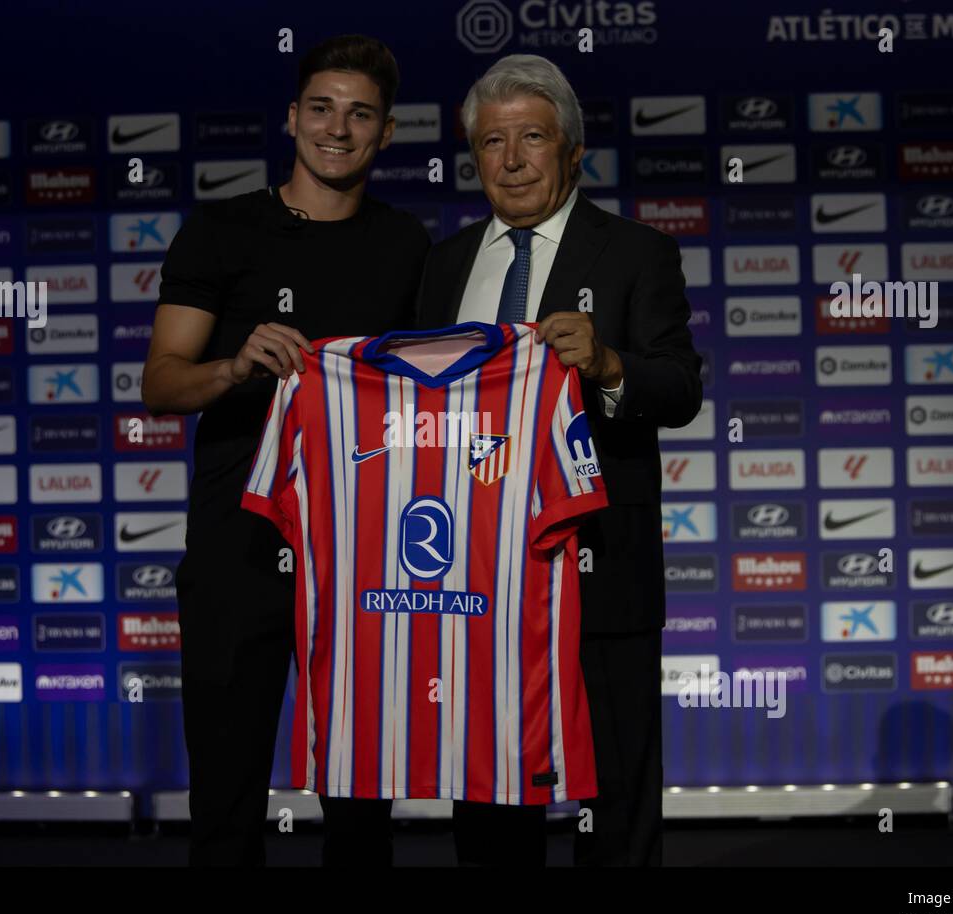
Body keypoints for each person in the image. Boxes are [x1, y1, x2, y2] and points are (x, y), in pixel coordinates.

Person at [142, 34, 430, 866]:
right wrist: (234, 366)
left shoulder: (410, 245)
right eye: (322, 107)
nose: (337, 128)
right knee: (227, 791)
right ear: (292, 118)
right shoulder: (221, 228)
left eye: (360, 114)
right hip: (239, 542)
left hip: (365, 552)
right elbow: (160, 384)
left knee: (360, 799)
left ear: (385, 133)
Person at [417, 54, 703, 865]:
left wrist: (611, 365)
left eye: (531, 138)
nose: (509, 160)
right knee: (490, 801)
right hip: (473, 580)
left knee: (615, 798)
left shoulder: (637, 253)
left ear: (572, 152)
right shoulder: (443, 264)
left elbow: (681, 387)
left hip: (598, 568)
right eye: (490, 143)